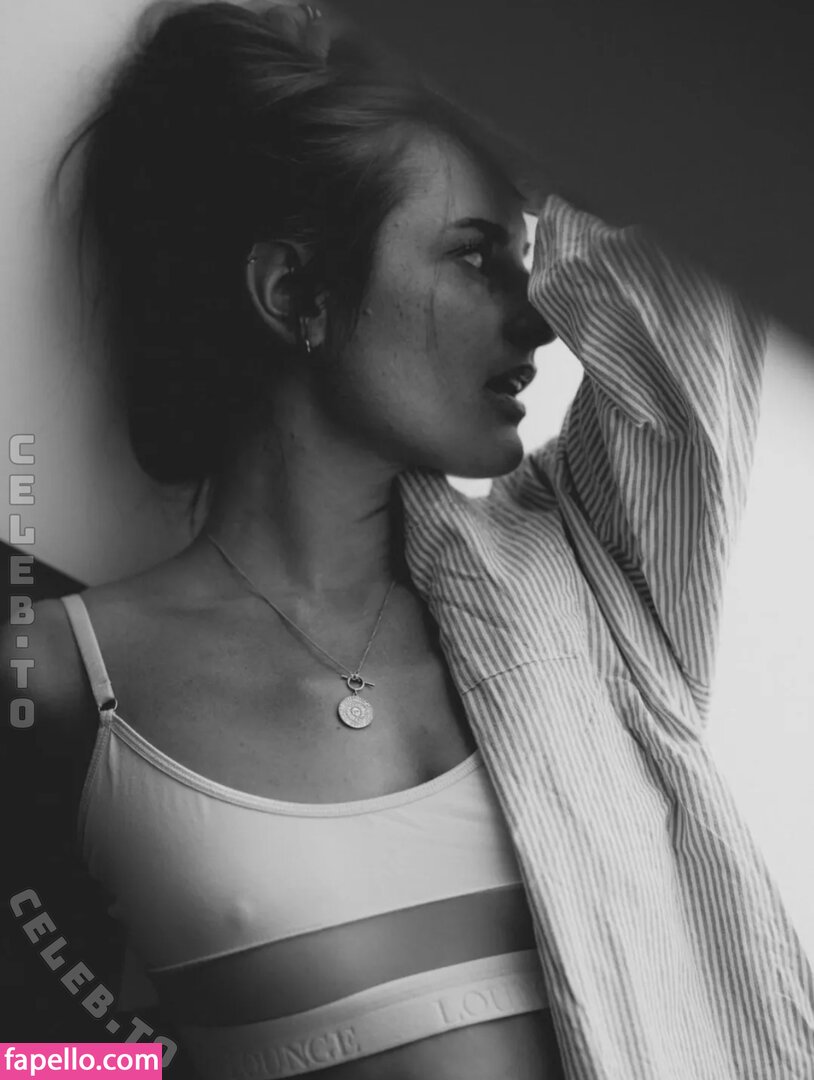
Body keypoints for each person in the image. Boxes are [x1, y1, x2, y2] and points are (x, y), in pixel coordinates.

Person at [3, 1, 813, 1078]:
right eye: (474, 257)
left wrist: (505, 124)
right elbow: (30, 1053)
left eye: (525, 255)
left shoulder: (589, 567)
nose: (537, 318)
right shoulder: (63, 673)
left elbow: (688, 276)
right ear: (295, 293)